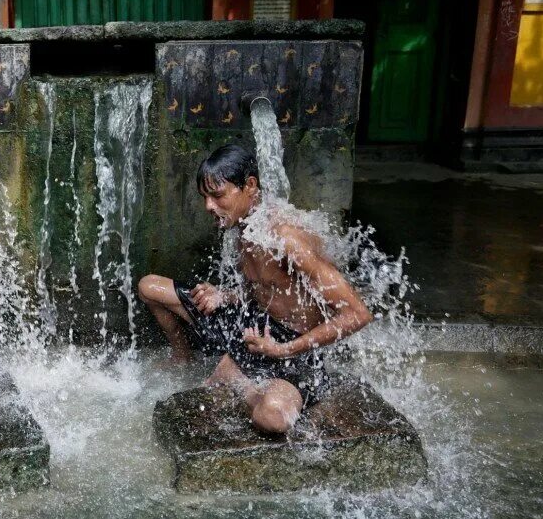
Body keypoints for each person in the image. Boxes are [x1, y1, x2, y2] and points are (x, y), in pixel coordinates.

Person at [138, 144, 373, 434]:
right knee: (149, 287)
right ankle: (187, 357)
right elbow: (265, 291)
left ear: (249, 186)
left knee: (271, 420)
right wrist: (223, 295)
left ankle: (239, 381)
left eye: (217, 195)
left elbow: (358, 314)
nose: (208, 206)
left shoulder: (286, 239)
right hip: (253, 325)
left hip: (293, 350)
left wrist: (284, 349)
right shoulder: (243, 226)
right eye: (205, 197)